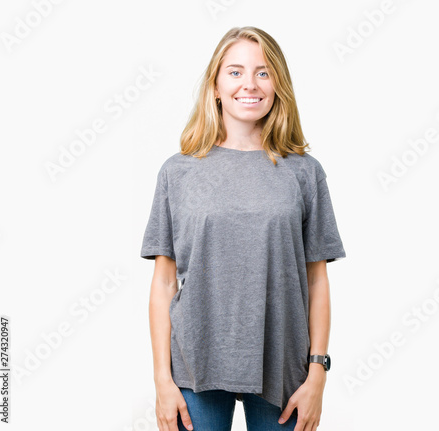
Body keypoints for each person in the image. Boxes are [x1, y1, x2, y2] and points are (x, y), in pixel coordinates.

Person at [140, 26, 346, 431]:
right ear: (215, 86)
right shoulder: (178, 171)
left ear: (278, 84)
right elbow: (164, 282)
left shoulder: (303, 172)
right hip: (193, 369)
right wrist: (162, 380)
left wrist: (317, 372)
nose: (249, 84)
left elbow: (316, 279)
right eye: (235, 72)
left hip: (284, 367)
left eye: (263, 73)